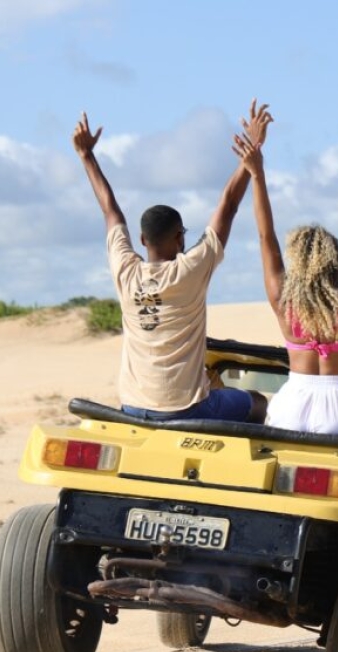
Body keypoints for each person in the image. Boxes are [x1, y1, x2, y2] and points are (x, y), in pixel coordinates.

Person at [72, 101, 272, 423]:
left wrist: (86, 156)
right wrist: (252, 153)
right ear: (179, 238)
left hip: (134, 407)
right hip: (186, 409)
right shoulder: (190, 269)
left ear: (141, 240)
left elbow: (110, 211)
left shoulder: (125, 270)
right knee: (258, 403)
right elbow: (229, 205)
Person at [232, 125, 338, 440]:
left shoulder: (284, 302)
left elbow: (265, 235)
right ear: (335, 260)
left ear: (295, 263)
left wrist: (257, 173)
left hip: (293, 405)